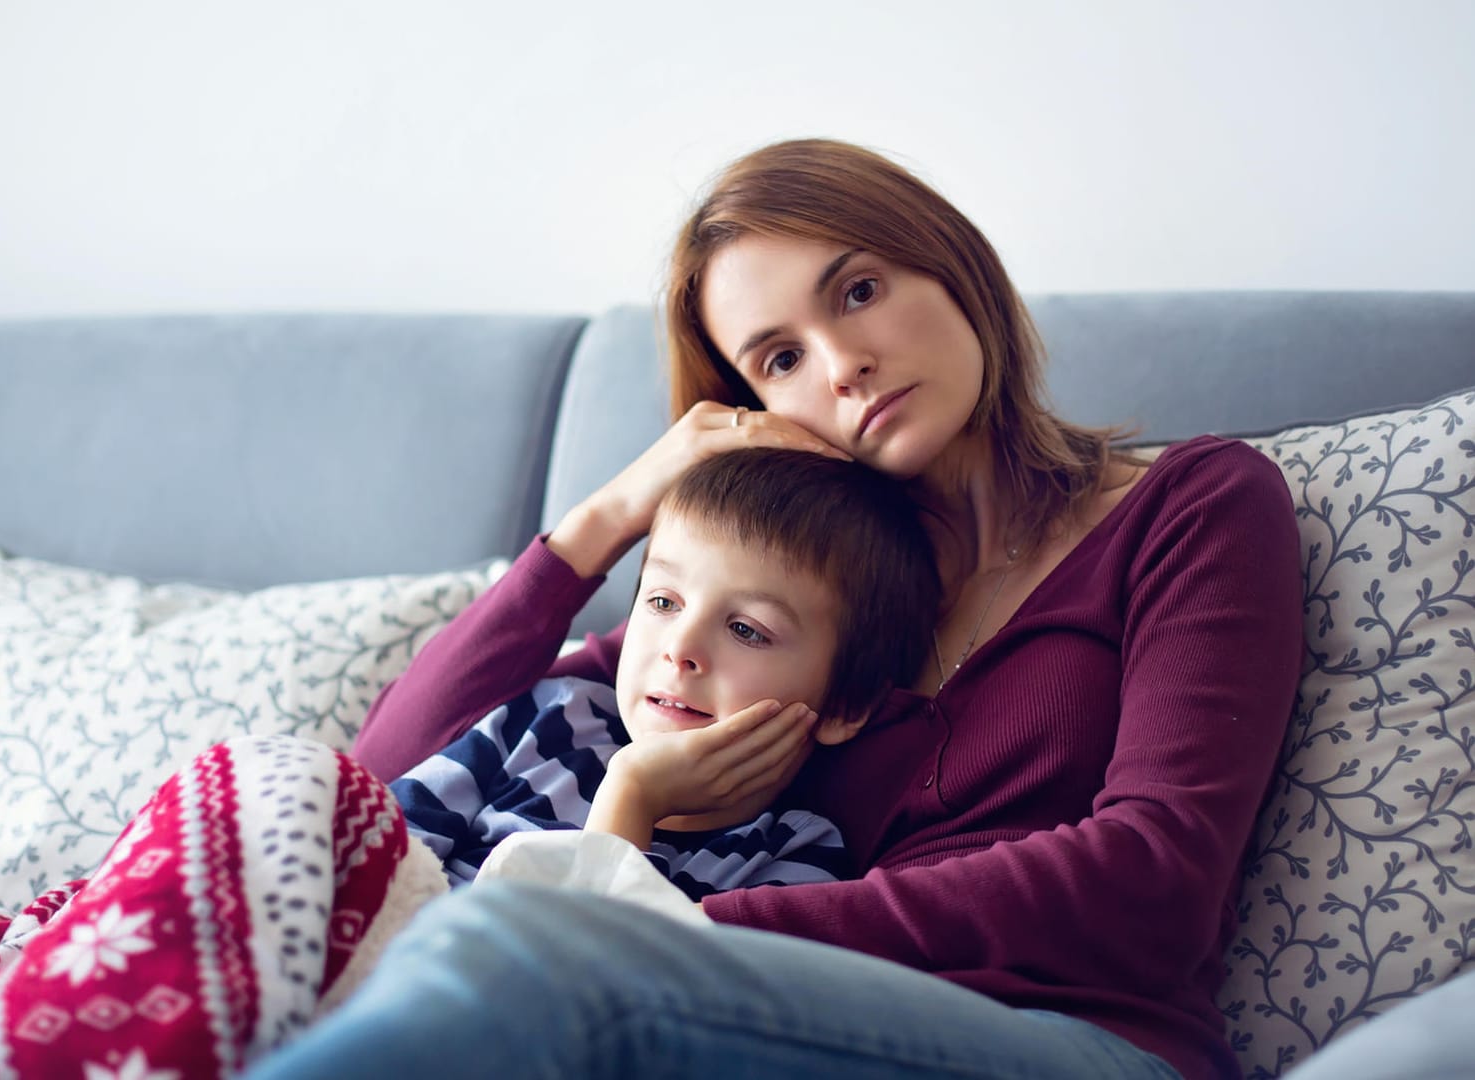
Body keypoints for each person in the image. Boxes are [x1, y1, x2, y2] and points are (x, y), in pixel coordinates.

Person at [251, 138, 1304, 1080]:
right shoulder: (781, 608)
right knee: (460, 947)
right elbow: (389, 773)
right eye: (782, 359)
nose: (844, 365)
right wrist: (611, 514)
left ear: (952, 262)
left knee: (517, 948)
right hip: (761, 1022)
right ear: (758, 412)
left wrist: (673, 930)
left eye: (857, 291)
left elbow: (1155, 880)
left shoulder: (1193, 504)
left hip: (1080, 1041)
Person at [392, 446, 942, 899]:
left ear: (844, 704)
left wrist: (632, 796)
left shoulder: (792, 863)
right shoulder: (546, 718)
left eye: (746, 629)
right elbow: (365, 856)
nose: (680, 648)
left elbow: (588, 988)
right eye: (662, 602)